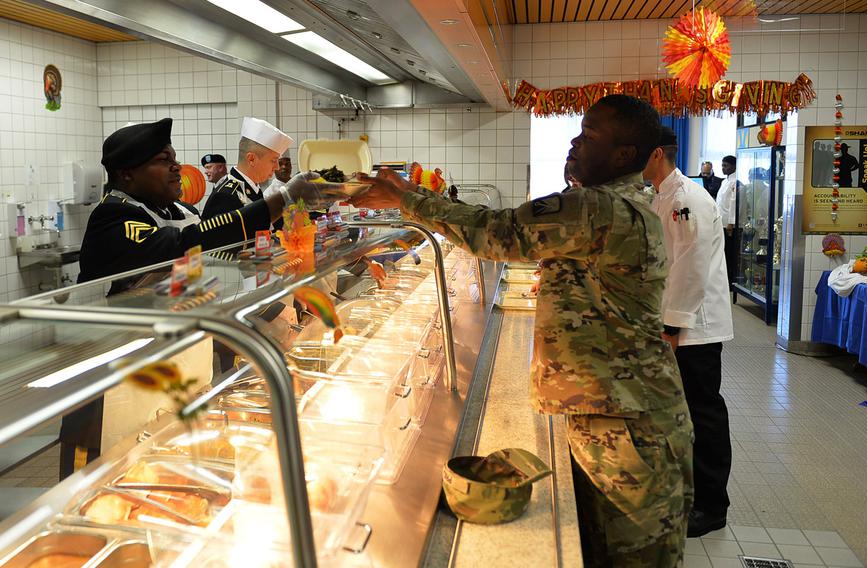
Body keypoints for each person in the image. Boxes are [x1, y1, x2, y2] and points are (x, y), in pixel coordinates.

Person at [350, 95, 693, 567]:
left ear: (624, 155)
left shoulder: (599, 208)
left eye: (589, 136)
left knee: (631, 557)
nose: (575, 142)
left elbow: (498, 232)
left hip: (629, 430)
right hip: (623, 414)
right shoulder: (619, 204)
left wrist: (406, 198)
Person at [65, 118, 337, 479]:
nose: (177, 166)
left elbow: (213, 268)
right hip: (118, 380)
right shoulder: (114, 219)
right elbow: (178, 248)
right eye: (163, 160)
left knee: (173, 469)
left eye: (175, 157)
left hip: (177, 367)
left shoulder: (181, 212)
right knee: (111, 475)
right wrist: (282, 200)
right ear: (127, 175)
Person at [643, 127, 735, 538]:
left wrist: (671, 324)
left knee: (704, 412)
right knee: (685, 412)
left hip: (694, 327)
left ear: (657, 153)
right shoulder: (662, 194)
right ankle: (688, 492)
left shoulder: (687, 199)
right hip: (679, 320)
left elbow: (692, 266)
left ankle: (713, 506)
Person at [201, 117, 292, 219]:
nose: (277, 167)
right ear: (251, 159)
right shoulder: (226, 196)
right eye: (273, 160)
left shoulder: (253, 189)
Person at [716, 155, 739, 287]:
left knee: (730, 253)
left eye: (726, 166)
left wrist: (731, 222)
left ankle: (730, 281)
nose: (723, 168)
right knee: (723, 252)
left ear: (734, 166)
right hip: (721, 221)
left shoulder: (735, 181)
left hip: (729, 224)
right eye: (722, 165)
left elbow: (733, 203)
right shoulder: (725, 181)